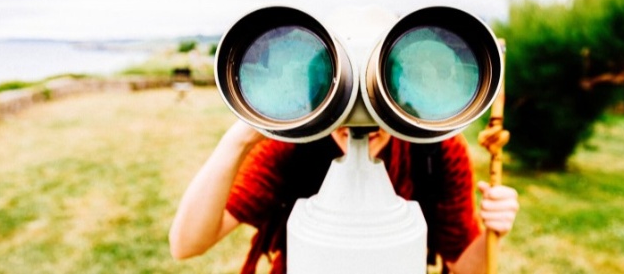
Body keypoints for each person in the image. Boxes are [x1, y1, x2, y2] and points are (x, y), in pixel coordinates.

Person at [169, 121, 519, 274]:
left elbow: (465, 267)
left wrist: (493, 232)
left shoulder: (435, 151)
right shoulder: (293, 147)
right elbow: (187, 244)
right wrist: (240, 137)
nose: (362, 121)